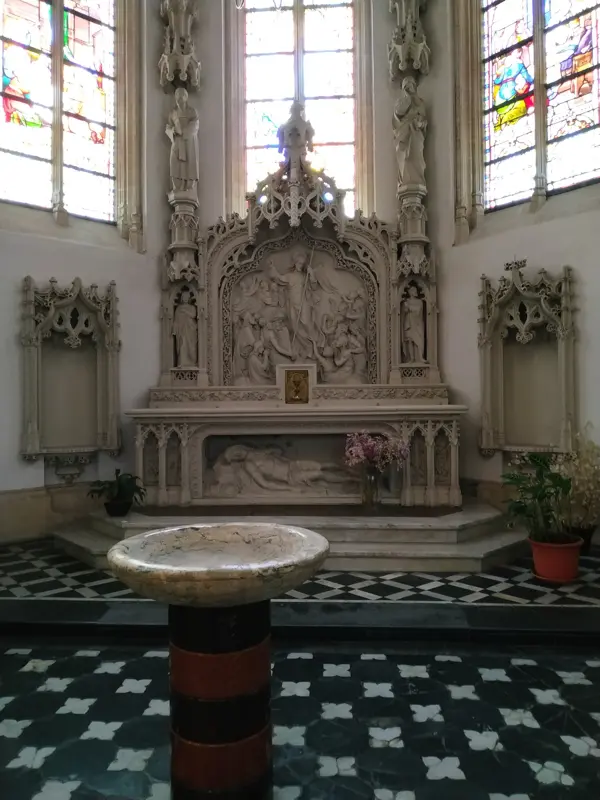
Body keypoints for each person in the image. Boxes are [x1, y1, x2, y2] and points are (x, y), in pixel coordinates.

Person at [166, 87, 199, 192]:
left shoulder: (192, 111)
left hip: (189, 142)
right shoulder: (173, 113)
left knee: (189, 163)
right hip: (177, 140)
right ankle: (177, 185)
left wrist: (184, 132)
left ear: (186, 97)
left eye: (182, 95)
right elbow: (168, 127)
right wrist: (173, 131)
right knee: (175, 161)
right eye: (177, 95)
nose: (179, 97)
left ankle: (188, 186)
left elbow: (195, 124)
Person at [172, 290, 198, 367]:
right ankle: (182, 363)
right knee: (182, 345)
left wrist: (185, 311)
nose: (185, 299)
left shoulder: (192, 307)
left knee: (191, 346)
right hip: (181, 330)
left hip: (190, 329)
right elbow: (176, 320)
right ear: (182, 298)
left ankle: (192, 363)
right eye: (184, 297)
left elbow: (193, 315)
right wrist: (174, 330)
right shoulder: (178, 308)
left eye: (187, 297)